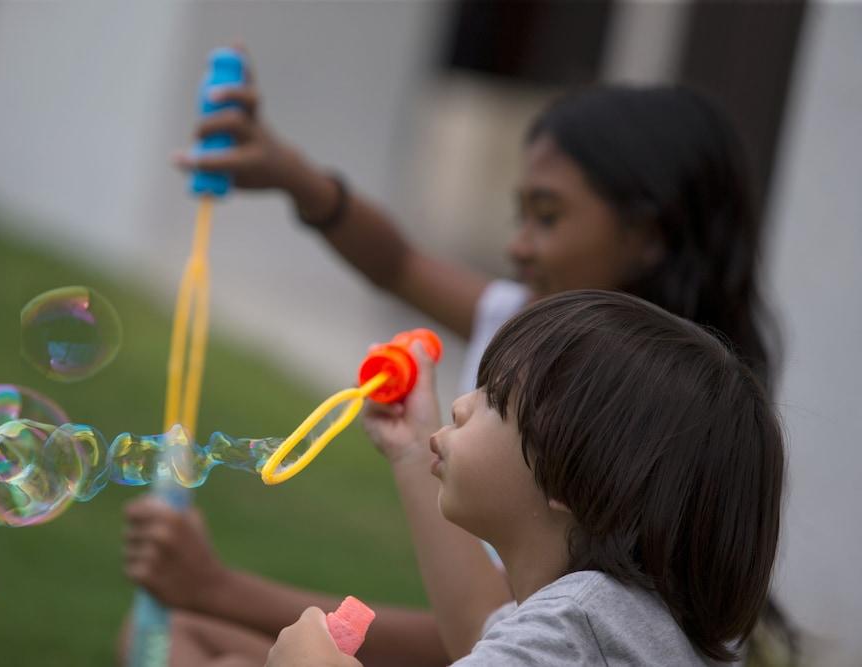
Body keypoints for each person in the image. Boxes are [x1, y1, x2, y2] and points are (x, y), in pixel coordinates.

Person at [122, 51, 793, 665]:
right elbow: (398, 262)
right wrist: (296, 177)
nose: (519, 246)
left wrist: (230, 595)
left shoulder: (577, 612)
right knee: (173, 640)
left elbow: (480, 634)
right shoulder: (618, 572)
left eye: (548, 215)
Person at [263, 290, 786, 666]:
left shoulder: (579, 629)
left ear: (575, 472)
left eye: (494, 399)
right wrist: (410, 447)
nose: (461, 405)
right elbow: (478, 630)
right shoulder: (612, 622)